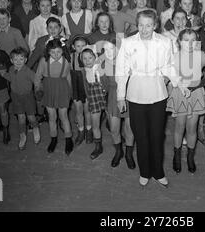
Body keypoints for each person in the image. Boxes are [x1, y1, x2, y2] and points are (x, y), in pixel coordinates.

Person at [116, 9, 189, 187]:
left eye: (148, 25)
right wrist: (120, 96)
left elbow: (169, 66)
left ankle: (158, 172)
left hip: (157, 94)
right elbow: (121, 70)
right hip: (136, 94)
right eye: (141, 25)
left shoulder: (164, 42)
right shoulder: (127, 42)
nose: (144, 29)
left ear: (155, 25)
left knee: (157, 136)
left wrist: (179, 83)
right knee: (141, 136)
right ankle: (145, 172)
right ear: (137, 25)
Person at [167, 29, 205, 173]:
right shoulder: (175, 57)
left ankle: (190, 156)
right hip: (180, 94)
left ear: (197, 42)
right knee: (179, 127)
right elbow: (169, 74)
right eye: (185, 40)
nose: (189, 44)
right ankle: (177, 156)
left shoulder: (200, 55)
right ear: (179, 41)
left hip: (195, 94)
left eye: (193, 40)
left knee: (192, 127)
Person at [98, 39, 135, 168]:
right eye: (105, 49)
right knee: (114, 129)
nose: (108, 52)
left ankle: (129, 154)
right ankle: (118, 152)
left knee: (130, 129)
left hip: (130, 96)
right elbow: (105, 86)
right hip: (113, 97)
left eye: (111, 48)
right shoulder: (103, 66)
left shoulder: (128, 62)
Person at [34, 39, 73, 155]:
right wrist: (38, 89)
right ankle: (53, 138)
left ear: (63, 50)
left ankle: (68, 138)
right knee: (51, 116)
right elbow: (37, 77)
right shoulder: (44, 61)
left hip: (62, 89)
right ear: (48, 52)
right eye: (52, 52)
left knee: (63, 116)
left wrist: (70, 93)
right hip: (48, 89)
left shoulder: (66, 61)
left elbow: (68, 78)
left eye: (58, 52)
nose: (56, 55)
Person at [0, 47, 40, 150]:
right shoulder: (11, 69)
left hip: (28, 97)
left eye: (21, 59)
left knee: (31, 117)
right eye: (15, 59)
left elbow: (36, 80)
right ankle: (22, 135)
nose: (18, 62)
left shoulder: (28, 71)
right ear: (11, 60)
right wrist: (4, 74)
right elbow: (11, 78)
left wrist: (38, 88)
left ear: (25, 60)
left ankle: (35, 128)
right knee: (21, 117)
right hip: (16, 97)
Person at [80, 48, 107, 159]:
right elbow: (86, 87)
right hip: (93, 98)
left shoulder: (101, 68)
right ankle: (98, 147)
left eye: (90, 57)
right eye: (84, 58)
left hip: (106, 97)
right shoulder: (84, 71)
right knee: (95, 125)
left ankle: (118, 140)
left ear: (95, 58)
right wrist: (88, 98)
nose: (87, 60)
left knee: (113, 122)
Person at [69, 35, 92, 145]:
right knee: (78, 111)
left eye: (83, 46)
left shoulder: (89, 57)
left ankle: (89, 130)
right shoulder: (71, 57)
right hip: (75, 86)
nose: (81, 48)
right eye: (78, 46)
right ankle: (81, 131)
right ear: (73, 47)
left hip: (86, 86)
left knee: (87, 110)